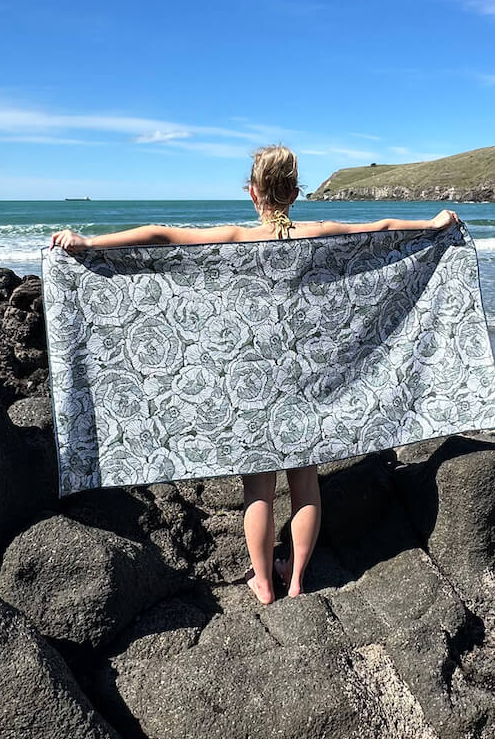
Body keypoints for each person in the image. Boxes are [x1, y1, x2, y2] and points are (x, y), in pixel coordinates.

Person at [50, 144, 461, 605]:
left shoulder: (237, 236)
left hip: (253, 386)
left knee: (257, 489)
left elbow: (160, 237)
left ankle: (263, 583)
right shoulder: (318, 233)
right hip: (310, 380)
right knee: (306, 481)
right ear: (295, 192)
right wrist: (433, 224)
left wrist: (86, 244)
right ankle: (299, 579)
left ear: (253, 192)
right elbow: (383, 229)